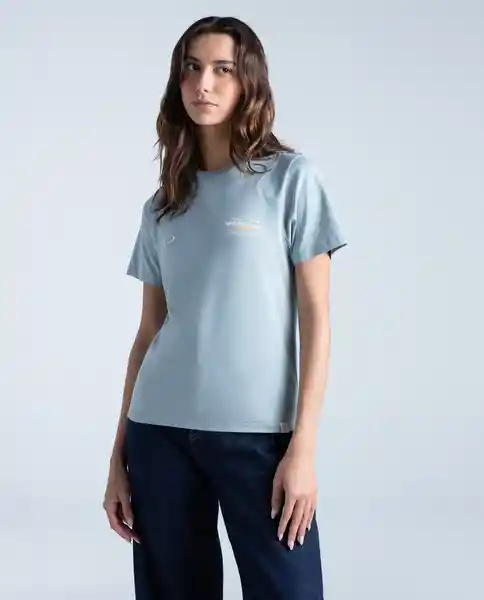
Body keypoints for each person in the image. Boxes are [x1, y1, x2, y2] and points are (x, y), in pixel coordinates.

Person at [103, 15, 347, 600]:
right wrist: (118, 457)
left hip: (258, 436)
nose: (203, 84)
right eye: (191, 69)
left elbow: (316, 322)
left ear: (248, 82)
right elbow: (148, 332)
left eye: (222, 69)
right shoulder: (162, 204)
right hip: (158, 431)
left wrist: (303, 448)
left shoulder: (290, 180)